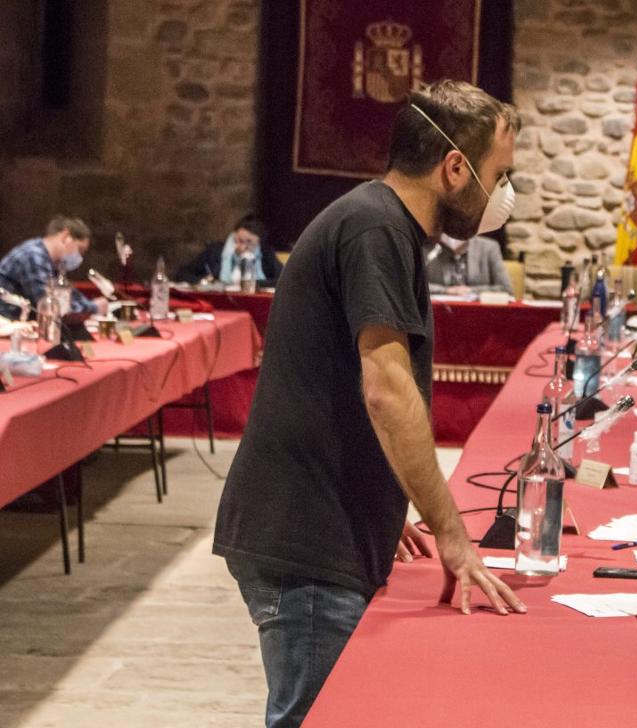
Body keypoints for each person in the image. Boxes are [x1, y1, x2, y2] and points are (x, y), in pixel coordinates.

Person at [213, 80, 525, 727]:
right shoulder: (375, 226)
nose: (504, 196)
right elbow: (387, 389)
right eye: (501, 175)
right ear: (455, 168)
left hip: (322, 525)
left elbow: (343, 387)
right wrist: (451, 533)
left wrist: (383, 495)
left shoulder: (382, 224)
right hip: (305, 541)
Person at [0, 216, 107, 318]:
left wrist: (89, 304)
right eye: (80, 249)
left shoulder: (49, 260)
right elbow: (51, 305)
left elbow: (70, 295)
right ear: (66, 237)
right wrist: (94, 307)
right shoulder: (33, 256)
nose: (80, 257)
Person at [175, 214, 283, 286]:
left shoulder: (265, 253)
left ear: (258, 243)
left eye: (249, 242)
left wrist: (254, 283)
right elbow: (182, 273)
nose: (242, 246)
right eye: (239, 241)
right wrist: (204, 281)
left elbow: (281, 280)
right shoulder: (216, 251)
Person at [425, 233, 512, 295]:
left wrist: (470, 291)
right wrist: (446, 290)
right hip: (440, 312)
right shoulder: (429, 248)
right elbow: (417, 286)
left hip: (478, 313)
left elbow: (505, 288)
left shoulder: (488, 248)